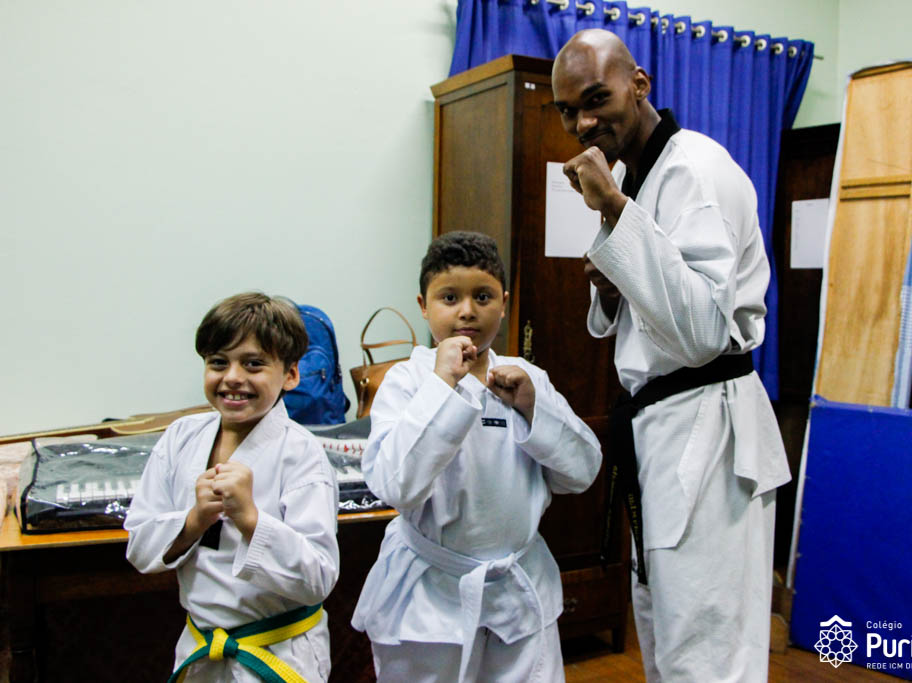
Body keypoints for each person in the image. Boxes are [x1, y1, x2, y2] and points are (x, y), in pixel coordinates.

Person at [551, 29, 792, 682]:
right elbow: (632, 315)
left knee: (706, 646)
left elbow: (704, 329)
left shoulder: (694, 170)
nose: (583, 123)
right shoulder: (638, 175)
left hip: (707, 426)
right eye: (568, 111)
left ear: (640, 84)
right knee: (666, 628)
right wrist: (612, 280)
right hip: (662, 426)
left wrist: (615, 211)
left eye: (596, 99)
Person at [351, 231, 602, 682]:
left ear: (503, 304)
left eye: (482, 297)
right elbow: (395, 486)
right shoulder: (407, 381)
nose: (467, 311)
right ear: (423, 305)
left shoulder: (527, 379)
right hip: (429, 599)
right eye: (449, 297)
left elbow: (582, 471)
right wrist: (442, 386)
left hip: (519, 591)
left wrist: (534, 409)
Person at [125, 292, 340, 682]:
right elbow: (139, 549)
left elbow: (319, 578)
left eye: (254, 364)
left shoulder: (302, 454)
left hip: (280, 652)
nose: (233, 377)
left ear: (291, 375)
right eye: (218, 362)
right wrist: (195, 520)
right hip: (201, 648)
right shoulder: (181, 438)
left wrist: (251, 520)